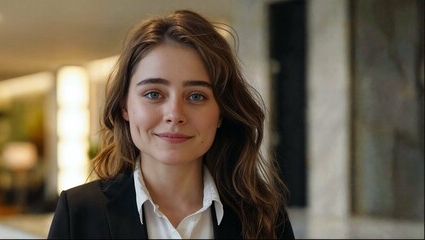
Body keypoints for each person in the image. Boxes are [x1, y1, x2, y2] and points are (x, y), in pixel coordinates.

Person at [48, 9, 294, 239]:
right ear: (125, 106)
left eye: (196, 96)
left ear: (221, 112)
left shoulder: (266, 215)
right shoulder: (79, 212)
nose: (174, 114)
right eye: (154, 94)